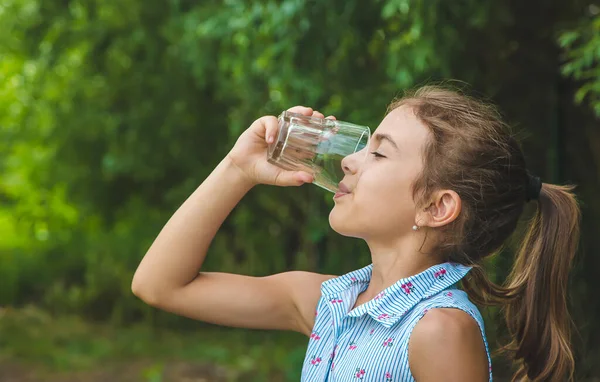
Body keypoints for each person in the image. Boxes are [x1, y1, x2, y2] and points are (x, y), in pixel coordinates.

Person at [132, 86, 581, 382]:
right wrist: (237, 170)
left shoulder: (440, 330)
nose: (348, 160)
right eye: (363, 146)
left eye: (379, 154)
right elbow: (160, 285)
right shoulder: (328, 305)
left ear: (436, 207)